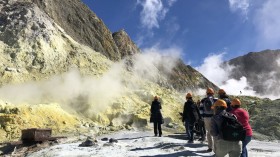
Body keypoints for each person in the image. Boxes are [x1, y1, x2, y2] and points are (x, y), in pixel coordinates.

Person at [200, 88, 217, 152]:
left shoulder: (203, 100)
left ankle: (210, 147)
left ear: (206, 93)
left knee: (208, 132)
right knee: (215, 132)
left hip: (206, 118)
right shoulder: (216, 100)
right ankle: (216, 149)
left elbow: (201, 110)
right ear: (213, 93)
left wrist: (202, 117)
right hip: (214, 118)